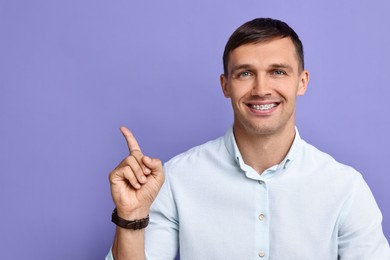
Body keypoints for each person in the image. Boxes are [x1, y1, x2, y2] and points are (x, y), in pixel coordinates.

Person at [106, 18, 390, 259]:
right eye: (245, 74)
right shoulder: (176, 179)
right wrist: (131, 217)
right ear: (225, 85)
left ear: (301, 82)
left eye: (277, 72)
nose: (262, 89)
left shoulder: (345, 188)